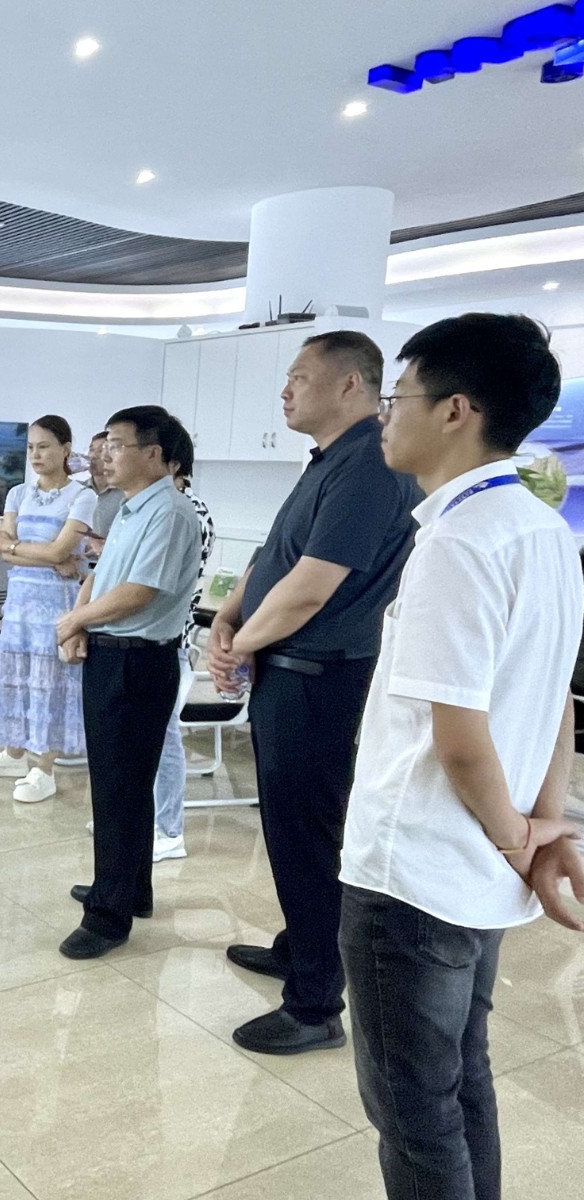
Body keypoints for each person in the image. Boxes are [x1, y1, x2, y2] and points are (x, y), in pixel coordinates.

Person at [339, 313, 584, 1199]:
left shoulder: (460, 539)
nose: (385, 416)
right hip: (476, 866)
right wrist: (541, 829)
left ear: (455, 410)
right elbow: (553, 698)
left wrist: (523, 837)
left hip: (415, 870)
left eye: (397, 396)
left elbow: (460, 738)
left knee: (414, 1112)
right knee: (460, 1078)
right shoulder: (545, 531)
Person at [207, 331, 420, 1055]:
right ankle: (303, 948)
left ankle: (315, 1004)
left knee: (307, 835)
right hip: (287, 669)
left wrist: (241, 643)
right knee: (288, 829)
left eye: (299, 376)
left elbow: (311, 586)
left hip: (318, 676)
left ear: (351, 384)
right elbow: (276, 556)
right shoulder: (329, 460)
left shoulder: (371, 465)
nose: (285, 390)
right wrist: (229, 618)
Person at [54, 407, 201, 959]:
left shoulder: (171, 513)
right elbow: (102, 576)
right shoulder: (133, 507)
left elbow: (139, 592)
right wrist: (78, 621)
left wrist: (74, 622)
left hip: (138, 662)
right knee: (121, 785)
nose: (104, 455)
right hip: (113, 655)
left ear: (155, 454)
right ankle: (129, 888)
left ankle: (107, 917)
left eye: (116, 444)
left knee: (119, 789)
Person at [0, 416, 97, 802]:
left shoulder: (82, 497)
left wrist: (20, 548)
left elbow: (60, 550)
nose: (35, 455)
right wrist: (42, 555)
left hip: (56, 605)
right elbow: (2, 548)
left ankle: (44, 769)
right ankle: (14, 754)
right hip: (19, 603)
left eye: (44, 446)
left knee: (50, 682)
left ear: (65, 449)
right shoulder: (17, 494)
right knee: (16, 677)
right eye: (30, 447)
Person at [151, 424, 215, 860]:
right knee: (144, 735)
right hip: (151, 639)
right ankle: (144, 817)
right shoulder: (153, 508)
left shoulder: (187, 511)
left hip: (170, 638)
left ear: (171, 463)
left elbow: (160, 582)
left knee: (163, 734)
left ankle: (168, 829)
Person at [85, 430, 125, 544]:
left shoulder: (125, 493)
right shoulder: (78, 490)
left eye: (101, 450)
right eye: (91, 450)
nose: (93, 456)